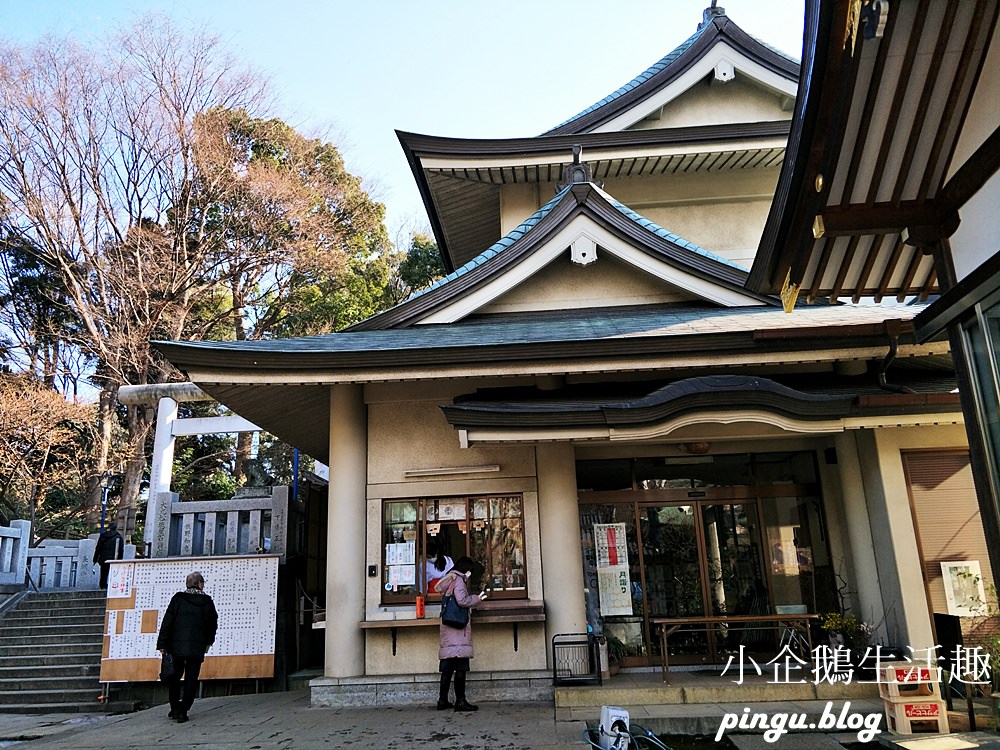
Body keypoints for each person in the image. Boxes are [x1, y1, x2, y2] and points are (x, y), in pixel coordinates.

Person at [156, 571, 218, 723]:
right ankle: (183, 710)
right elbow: (212, 624)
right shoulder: (207, 601)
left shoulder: (178, 599)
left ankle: (174, 707)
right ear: (199, 584)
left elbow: (168, 621)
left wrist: (162, 643)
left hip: (176, 646)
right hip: (196, 647)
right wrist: (208, 641)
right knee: (191, 678)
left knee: (175, 677)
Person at [436, 555, 487, 712]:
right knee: (461, 667)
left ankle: (443, 700)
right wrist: (477, 599)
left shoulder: (450, 579)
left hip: (448, 629)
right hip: (458, 631)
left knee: (447, 668)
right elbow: (462, 600)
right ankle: (460, 700)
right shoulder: (458, 580)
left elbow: (440, 590)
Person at [93, 522, 124, 589]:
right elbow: (121, 550)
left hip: (103, 558)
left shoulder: (103, 536)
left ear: (109, 527)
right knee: (113, 574)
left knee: (103, 573)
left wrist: (95, 559)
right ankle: (111, 586)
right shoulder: (118, 537)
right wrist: (120, 560)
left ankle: (102, 586)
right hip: (114, 559)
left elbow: (98, 548)